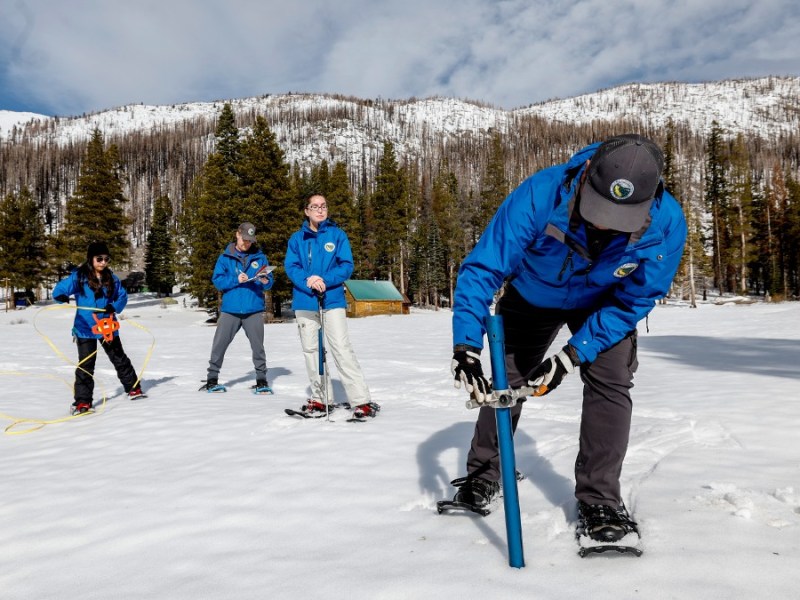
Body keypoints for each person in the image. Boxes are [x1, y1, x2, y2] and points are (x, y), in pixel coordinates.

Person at [449, 134, 687, 542]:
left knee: (611, 379)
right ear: (586, 178)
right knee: (509, 379)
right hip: (532, 295)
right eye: (597, 209)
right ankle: (485, 473)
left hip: (603, 304)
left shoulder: (666, 224)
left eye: (617, 216)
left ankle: (600, 500)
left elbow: (638, 297)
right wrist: (466, 346)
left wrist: (575, 354)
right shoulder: (542, 193)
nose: (601, 223)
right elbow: (483, 268)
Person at [284, 194, 378, 419]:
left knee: (341, 348)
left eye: (323, 206)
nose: (319, 210)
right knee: (311, 351)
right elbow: (291, 266)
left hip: (331, 299)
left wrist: (324, 279)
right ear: (306, 211)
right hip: (306, 300)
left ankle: (361, 400)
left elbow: (346, 265)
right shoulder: (297, 239)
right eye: (314, 206)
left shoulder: (337, 235)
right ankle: (320, 398)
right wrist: (309, 280)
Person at [53, 241, 144, 414]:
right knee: (86, 365)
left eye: (106, 259)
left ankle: (133, 388)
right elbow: (59, 289)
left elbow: (122, 296)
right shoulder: (79, 277)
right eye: (99, 258)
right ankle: (82, 402)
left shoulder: (112, 278)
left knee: (119, 358)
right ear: (91, 259)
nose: (103, 262)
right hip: (85, 328)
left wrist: (114, 307)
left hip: (107, 326)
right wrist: (61, 296)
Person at [199, 222, 274, 394]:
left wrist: (264, 281)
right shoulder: (225, 258)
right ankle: (212, 379)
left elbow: (270, 282)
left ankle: (262, 381)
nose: (247, 243)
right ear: (237, 234)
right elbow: (217, 281)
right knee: (219, 345)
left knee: (258, 347)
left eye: (250, 241)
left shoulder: (260, 258)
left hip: (253, 309)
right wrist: (235, 279)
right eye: (244, 239)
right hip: (230, 310)